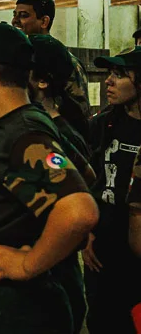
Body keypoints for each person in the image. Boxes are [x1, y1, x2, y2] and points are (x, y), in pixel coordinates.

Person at [0, 23, 98, 334]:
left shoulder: (22, 134)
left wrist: (27, 264)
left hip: (12, 310)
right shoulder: (29, 123)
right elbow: (85, 173)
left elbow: (80, 211)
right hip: (2, 304)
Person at [27, 35, 97, 334]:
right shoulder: (38, 125)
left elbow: (84, 189)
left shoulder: (56, 133)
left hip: (53, 270)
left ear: (42, 81)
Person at [83, 47, 141, 334]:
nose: (109, 80)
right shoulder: (103, 124)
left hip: (137, 252)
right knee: (102, 321)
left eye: (119, 74)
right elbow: (86, 181)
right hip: (102, 249)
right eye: (110, 73)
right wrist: (86, 233)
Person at [12, 0, 90, 117]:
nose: (15, 21)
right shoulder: (18, 57)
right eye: (15, 15)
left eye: (24, 15)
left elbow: (80, 110)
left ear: (44, 21)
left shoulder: (66, 61)